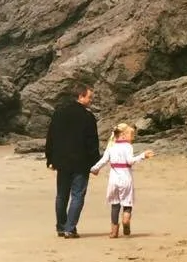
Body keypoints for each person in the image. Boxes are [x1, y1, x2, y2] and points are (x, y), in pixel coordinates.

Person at [45, 83, 100, 238]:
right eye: (89, 97)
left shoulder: (59, 113)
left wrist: (50, 158)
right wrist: (95, 163)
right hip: (81, 162)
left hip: (62, 161)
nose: (91, 100)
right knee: (77, 195)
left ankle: (61, 227)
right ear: (80, 96)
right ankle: (70, 228)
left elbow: (51, 137)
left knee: (62, 195)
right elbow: (92, 142)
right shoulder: (87, 117)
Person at [90, 123, 156, 237]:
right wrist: (142, 156)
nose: (133, 137)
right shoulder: (128, 147)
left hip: (113, 179)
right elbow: (130, 161)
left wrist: (94, 169)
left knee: (115, 204)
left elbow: (103, 161)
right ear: (123, 135)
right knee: (127, 202)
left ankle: (114, 231)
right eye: (131, 135)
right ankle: (126, 219)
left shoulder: (111, 147)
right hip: (126, 177)